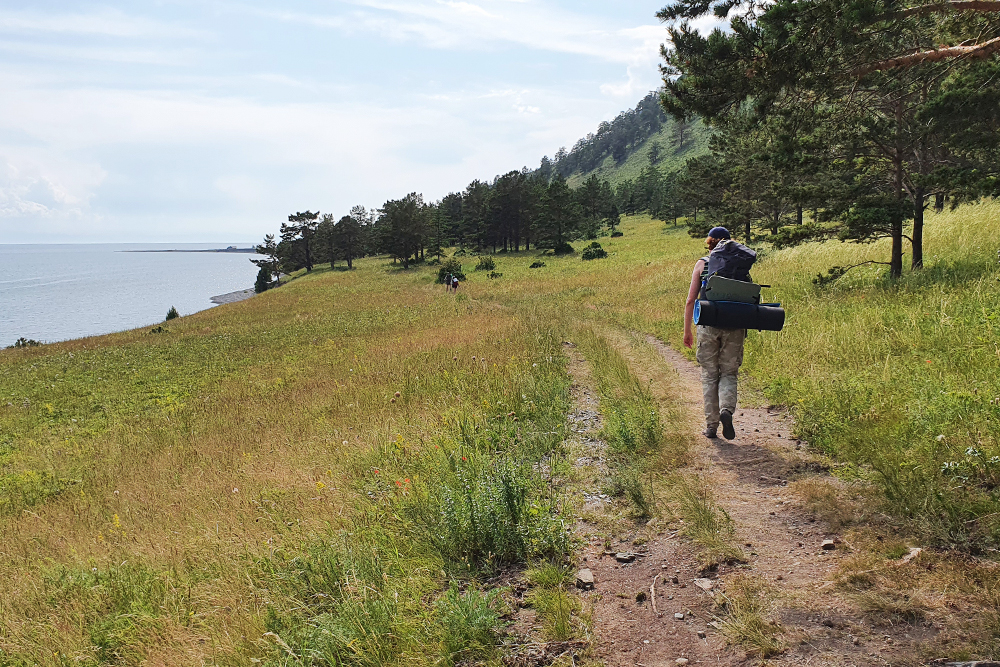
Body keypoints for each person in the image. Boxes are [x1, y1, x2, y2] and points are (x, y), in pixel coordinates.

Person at [683, 226, 745, 440]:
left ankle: (711, 427)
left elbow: (691, 299)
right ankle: (726, 411)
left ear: (710, 242)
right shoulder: (739, 262)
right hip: (735, 324)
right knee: (729, 372)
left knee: (709, 375)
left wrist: (687, 331)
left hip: (708, 324)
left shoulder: (703, 263)